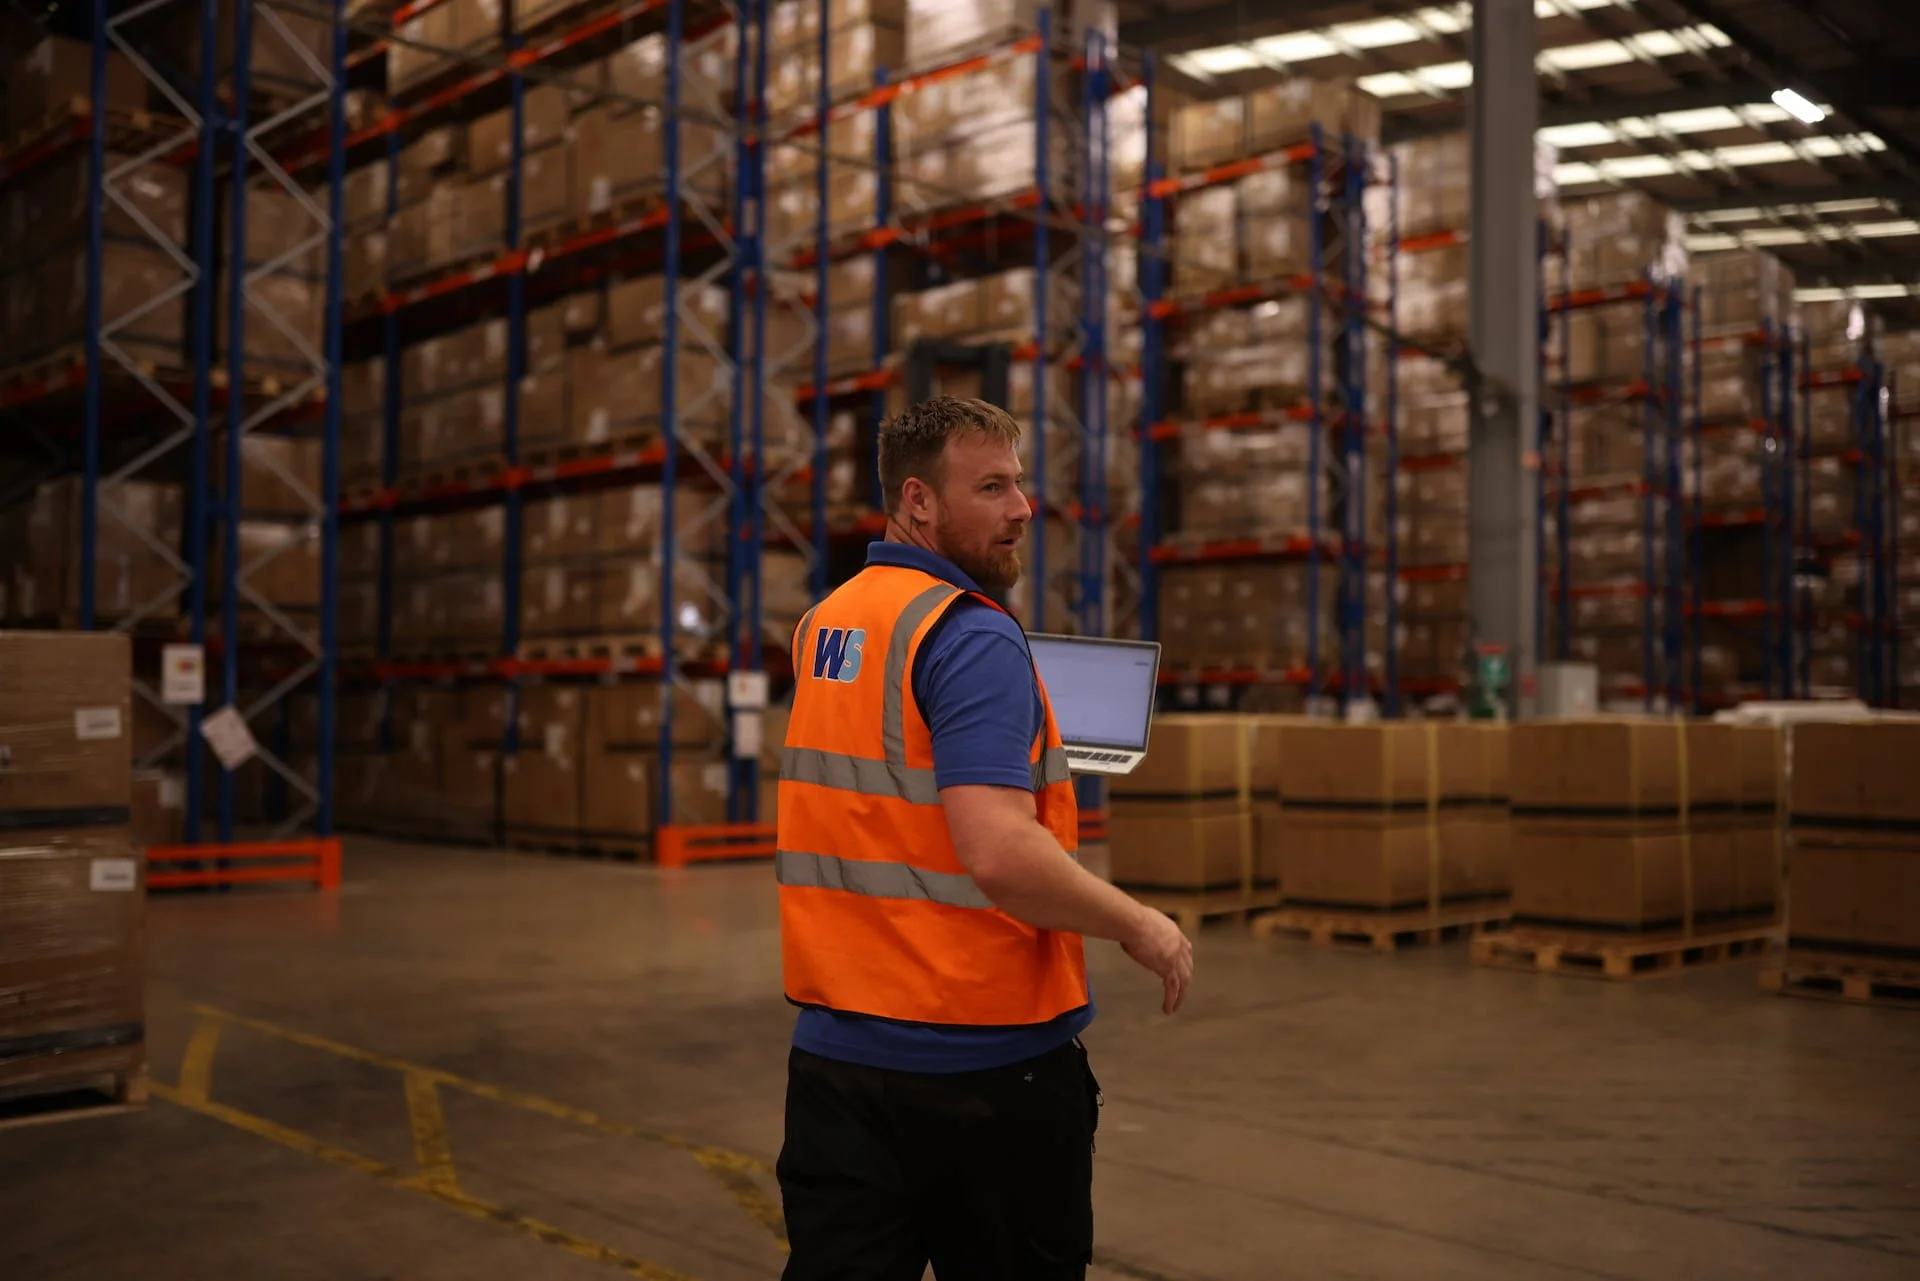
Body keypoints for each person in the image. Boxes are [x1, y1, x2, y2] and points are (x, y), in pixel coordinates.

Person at [773, 395, 1195, 1280]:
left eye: (1021, 482)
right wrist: (1137, 922)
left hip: (837, 1068)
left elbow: (883, 799)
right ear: (919, 501)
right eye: (994, 487)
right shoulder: (968, 637)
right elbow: (1001, 853)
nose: (1023, 509)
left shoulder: (830, 624)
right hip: (980, 1071)